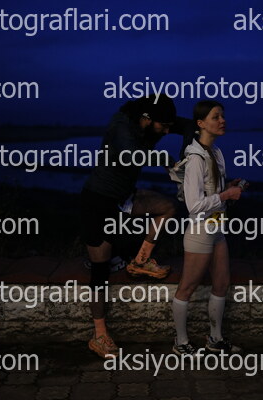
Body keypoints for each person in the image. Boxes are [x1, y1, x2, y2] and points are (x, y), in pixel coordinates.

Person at [80, 94, 194, 359]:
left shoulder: (155, 121)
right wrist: (165, 159)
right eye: (163, 127)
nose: (167, 131)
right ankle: (99, 336)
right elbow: (131, 155)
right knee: (100, 271)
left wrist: (184, 157)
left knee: (167, 208)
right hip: (98, 202)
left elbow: (189, 126)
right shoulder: (121, 126)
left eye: (169, 127)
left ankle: (140, 261)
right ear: (147, 119)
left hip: (126, 197)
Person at [171, 100, 245, 356]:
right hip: (200, 230)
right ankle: (181, 342)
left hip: (216, 228)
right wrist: (225, 196)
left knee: (221, 284)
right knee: (187, 287)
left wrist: (229, 188)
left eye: (222, 116)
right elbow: (194, 205)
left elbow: (212, 192)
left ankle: (215, 339)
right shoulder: (195, 158)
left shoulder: (216, 153)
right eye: (216, 117)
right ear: (201, 124)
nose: (222, 120)